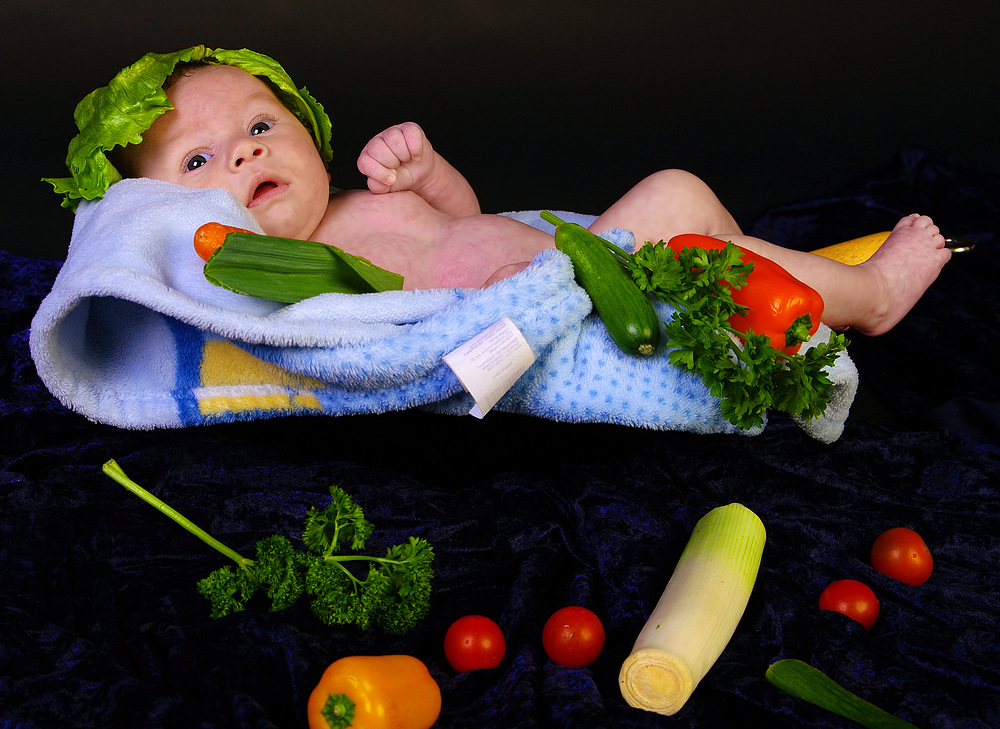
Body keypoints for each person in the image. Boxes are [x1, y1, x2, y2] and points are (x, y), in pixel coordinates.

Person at [51, 48, 951, 336]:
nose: (243, 158)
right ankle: (872, 297)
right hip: (541, 307)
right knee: (676, 197)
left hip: (568, 266)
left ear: (307, 132)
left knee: (705, 244)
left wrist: (425, 173)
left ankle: (799, 276)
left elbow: (466, 219)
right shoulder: (269, 271)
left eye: (259, 127)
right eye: (199, 164)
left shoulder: (357, 203)